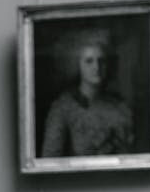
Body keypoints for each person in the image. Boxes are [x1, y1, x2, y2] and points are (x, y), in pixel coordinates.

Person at [40, 29, 134, 157]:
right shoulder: (62, 109)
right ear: (77, 65)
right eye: (89, 61)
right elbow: (50, 161)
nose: (97, 67)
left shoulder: (119, 107)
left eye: (102, 61)